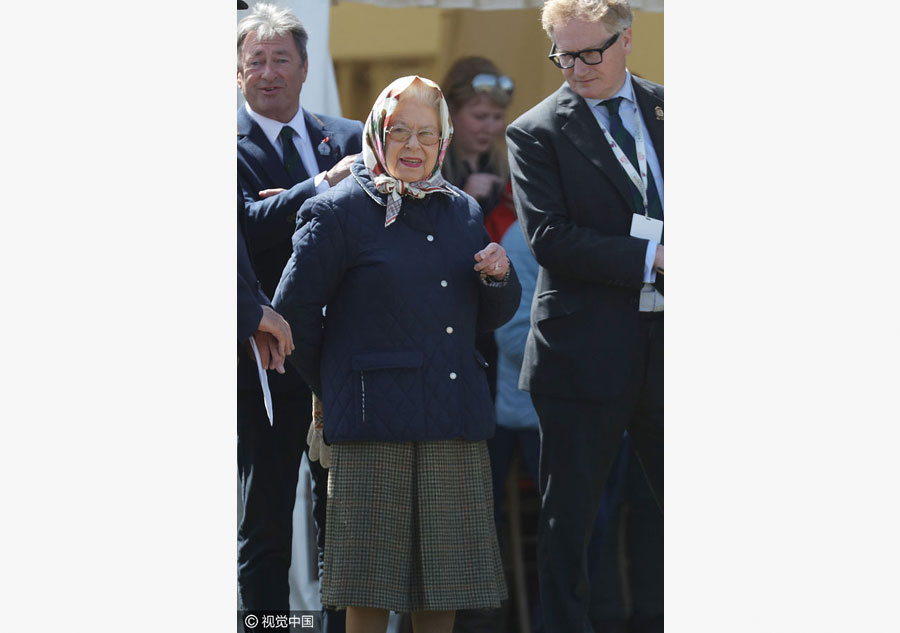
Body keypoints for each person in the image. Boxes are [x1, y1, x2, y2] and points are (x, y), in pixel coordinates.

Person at [272, 75, 520, 633]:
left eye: (426, 134)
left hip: (453, 418)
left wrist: (499, 279)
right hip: (371, 425)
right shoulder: (336, 211)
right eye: (399, 131)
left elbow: (484, 319)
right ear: (377, 135)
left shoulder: (461, 210)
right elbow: (291, 317)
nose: (413, 145)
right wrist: (338, 382)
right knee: (369, 587)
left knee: (446, 584)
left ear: (443, 140)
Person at [505, 1, 664, 632]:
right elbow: (549, 238)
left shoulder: (671, 108)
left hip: (668, 344)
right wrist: (654, 257)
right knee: (569, 524)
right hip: (582, 353)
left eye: (590, 52)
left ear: (626, 39)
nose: (576, 68)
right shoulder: (536, 130)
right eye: (563, 55)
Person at [235, 3, 364, 625]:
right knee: (265, 520)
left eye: (280, 59)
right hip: (266, 356)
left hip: (342, 355)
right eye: (255, 61)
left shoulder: (350, 137)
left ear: (305, 67)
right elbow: (244, 226)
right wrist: (318, 187)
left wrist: (281, 204)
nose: (268, 73)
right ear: (237, 74)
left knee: (341, 518)